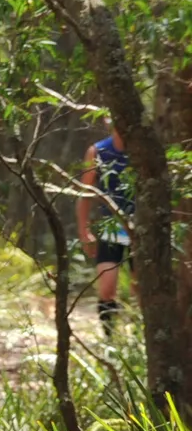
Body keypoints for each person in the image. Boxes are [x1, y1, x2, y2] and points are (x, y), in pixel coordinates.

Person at [76, 127, 134, 334]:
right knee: (107, 287)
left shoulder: (143, 149)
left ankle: (140, 341)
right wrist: (84, 231)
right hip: (112, 227)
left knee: (142, 290)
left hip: (142, 228)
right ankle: (110, 340)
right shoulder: (97, 151)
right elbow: (85, 194)